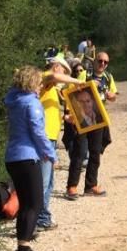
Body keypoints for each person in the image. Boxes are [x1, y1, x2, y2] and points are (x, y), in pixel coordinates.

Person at [4, 65, 54, 251]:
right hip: (27, 156)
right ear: (33, 82)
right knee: (34, 203)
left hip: (13, 157)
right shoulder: (31, 103)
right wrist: (50, 153)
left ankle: (23, 246)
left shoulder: (13, 99)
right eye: (40, 82)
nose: (42, 86)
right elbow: (38, 131)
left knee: (26, 203)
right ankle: (22, 249)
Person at [37, 54, 84, 230]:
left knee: (48, 182)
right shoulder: (45, 78)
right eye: (65, 70)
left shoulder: (51, 89)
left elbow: (47, 110)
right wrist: (79, 82)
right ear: (57, 67)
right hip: (44, 139)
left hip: (50, 139)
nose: (64, 76)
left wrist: (65, 117)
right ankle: (39, 219)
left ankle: (43, 217)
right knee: (43, 181)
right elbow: (55, 77)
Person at [64, 86, 107, 200]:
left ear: (92, 101)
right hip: (79, 124)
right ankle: (72, 186)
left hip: (98, 126)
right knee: (79, 153)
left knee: (95, 152)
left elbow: (112, 96)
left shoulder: (97, 116)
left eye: (88, 101)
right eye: (81, 102)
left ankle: (91, 186)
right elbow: (66, 109)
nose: (85, 104)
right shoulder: (75, 84)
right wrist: (67, 117)